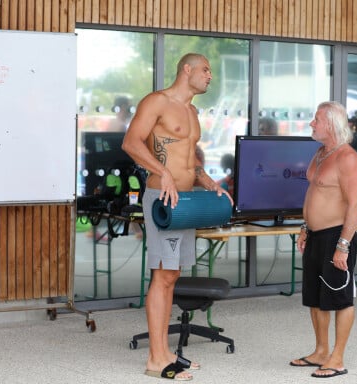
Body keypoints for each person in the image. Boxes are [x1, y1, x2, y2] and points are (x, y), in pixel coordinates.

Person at [122, 53, 232, 381]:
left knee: (172, 275)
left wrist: (209, 181)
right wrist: (162, 173)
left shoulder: (192, 112)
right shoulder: (157, 102)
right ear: (187, 69)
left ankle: (166, 351)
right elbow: (131, 142)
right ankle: (156, 359)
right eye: (205, 70)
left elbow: (189, 162)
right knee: (162, 275)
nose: (210, 76)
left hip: (186, 201)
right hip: (163, 200)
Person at [289, 101, 357, 378]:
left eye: (316, 119)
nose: (311, 123)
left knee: (340, 298)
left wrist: (343, 246)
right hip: (315, 235)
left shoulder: (348, 158)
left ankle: (337, 358)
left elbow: (355, 205)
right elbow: (315, 195)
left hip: (336, 236)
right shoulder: (321, 154)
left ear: (332, 124)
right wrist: (305, 227)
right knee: (315, 297)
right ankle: (321, 351)